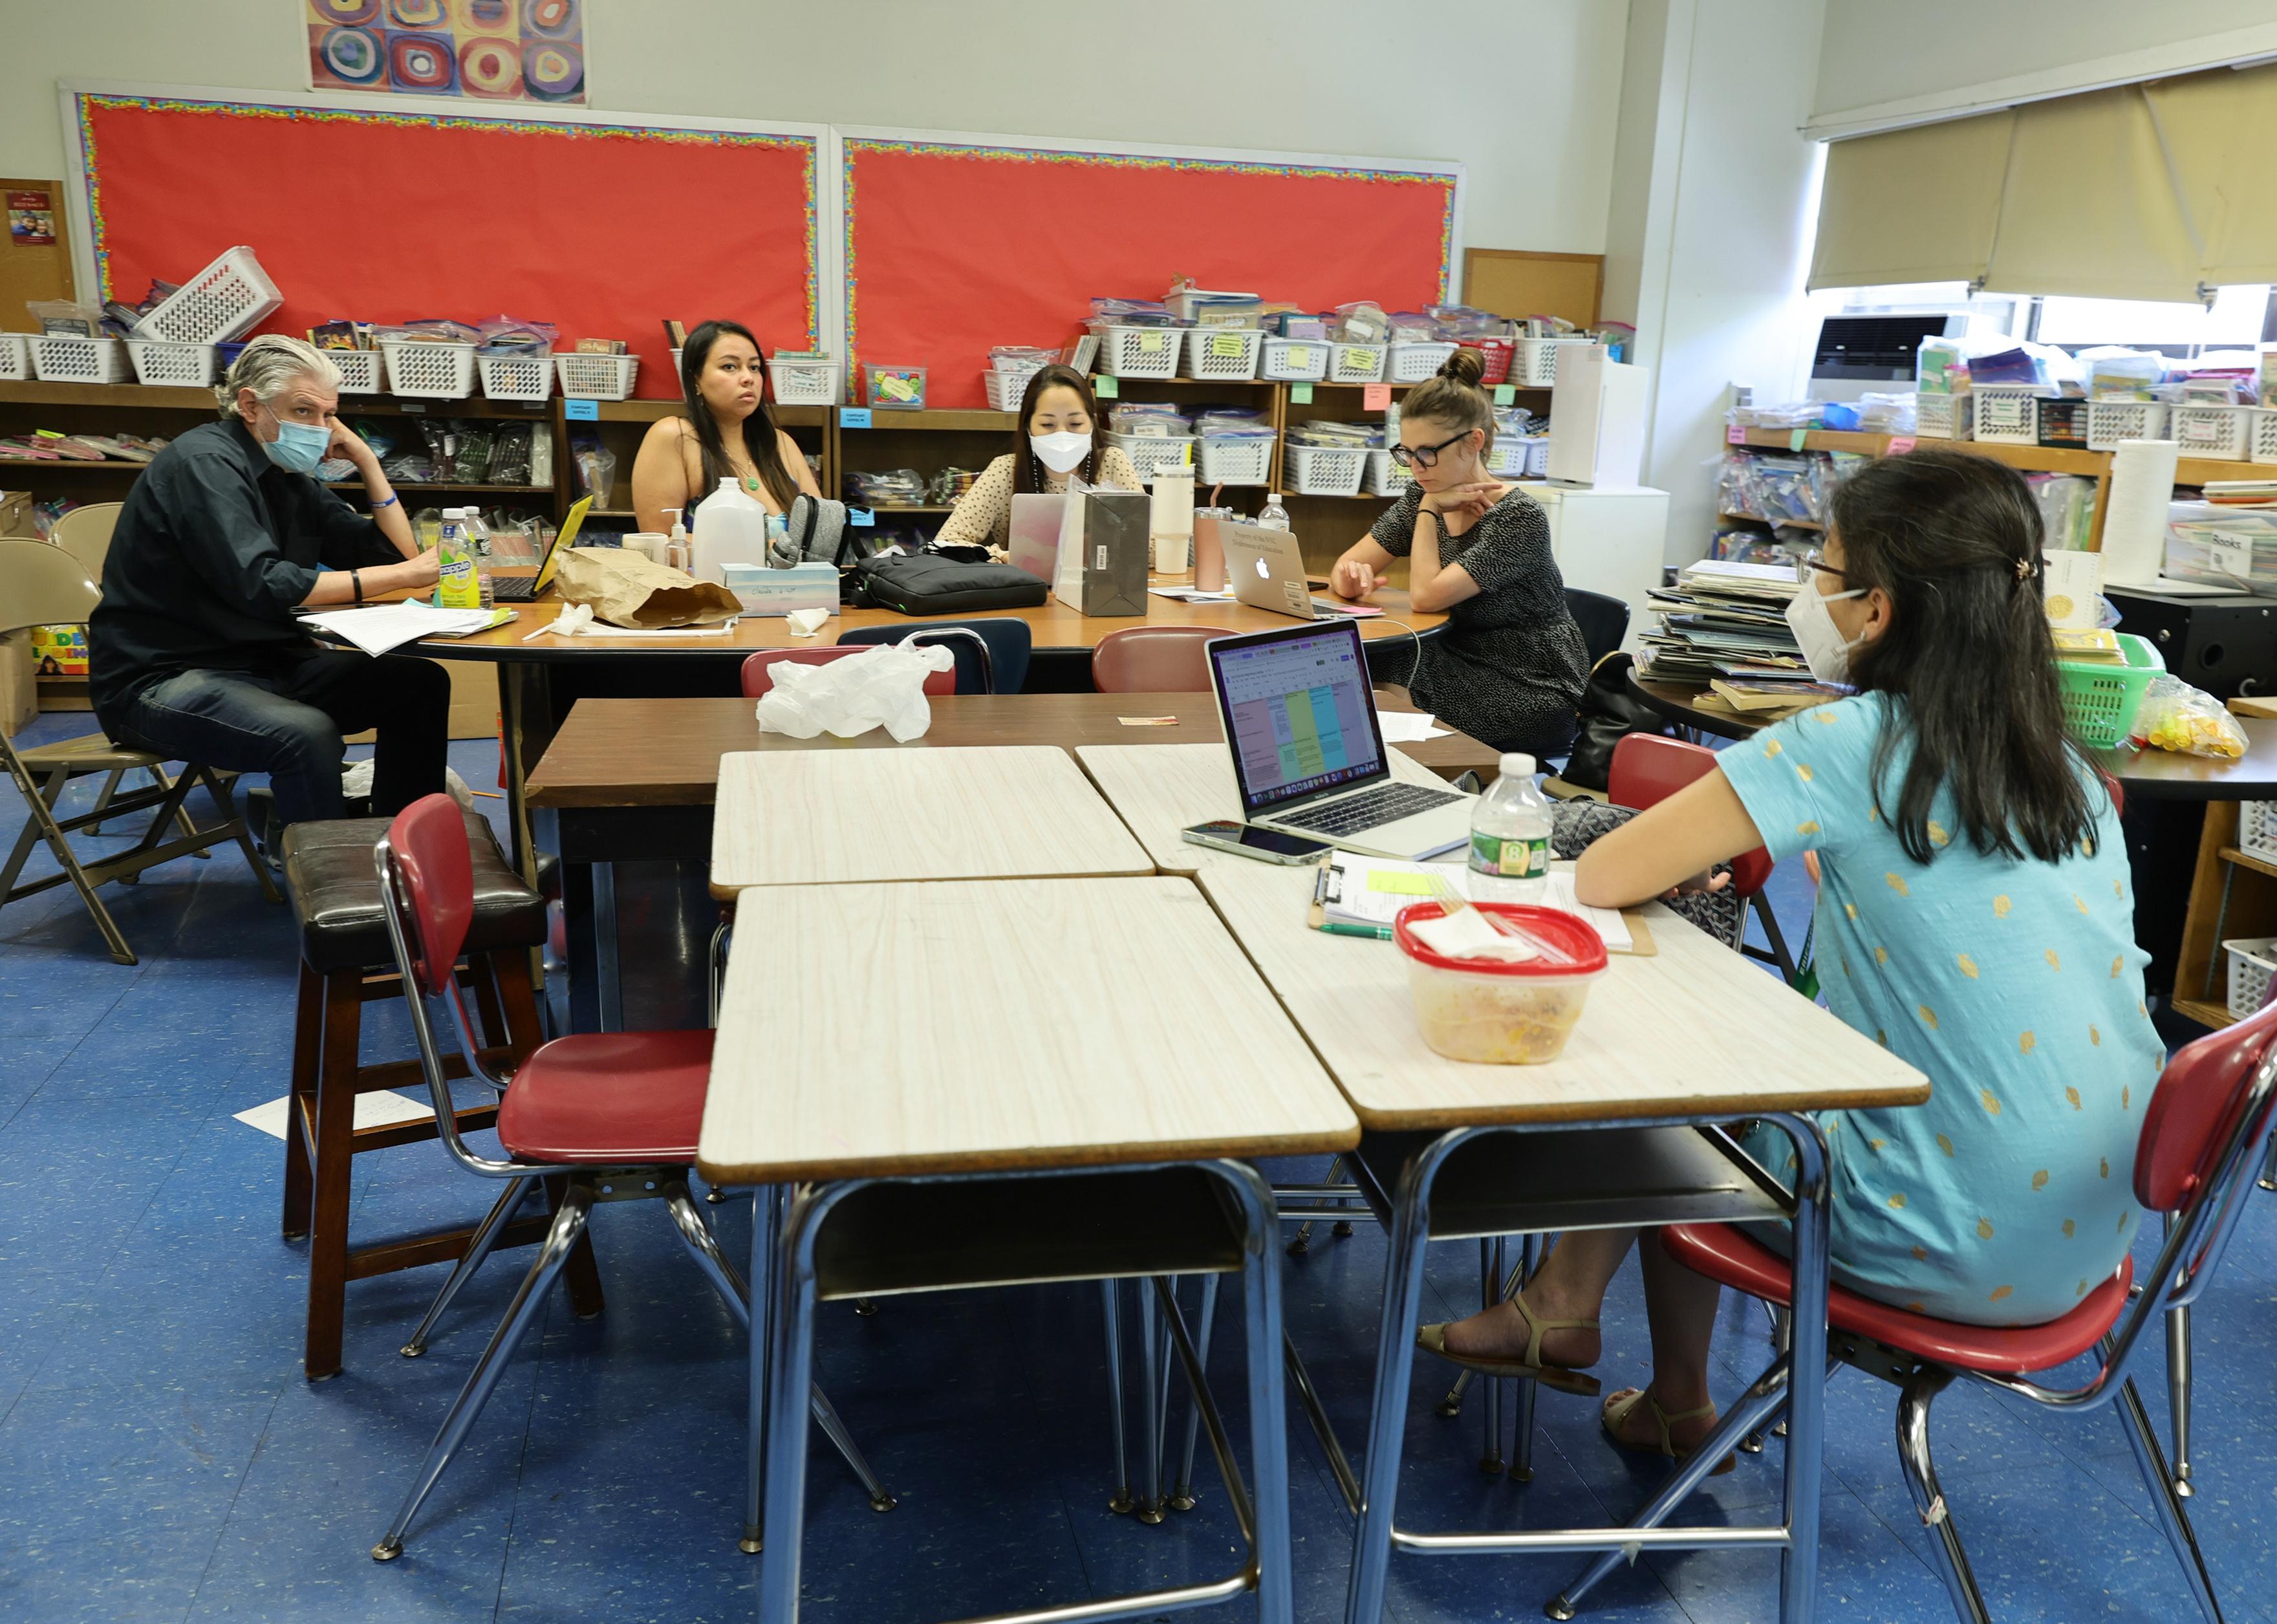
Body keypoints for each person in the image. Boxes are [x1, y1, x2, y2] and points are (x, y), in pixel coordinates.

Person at [1418, 448, 2159, 1469]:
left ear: (1879, 608)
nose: (1810, 592)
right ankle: (1659, 1385)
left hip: (1937, 1231)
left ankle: (1562, 1305)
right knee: (1731, 1048)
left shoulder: (1852, 740)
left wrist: (1678, 854)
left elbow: (1601, 876)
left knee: (1681, 1055)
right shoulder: (2069, 769)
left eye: (1824, 569)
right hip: (2094, 1235)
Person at [89, 335, 447, 828]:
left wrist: (367, 461)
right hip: (161, 679)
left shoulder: (287, 477)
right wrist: (402, 576)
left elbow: (392, 553)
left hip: (261, 667)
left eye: (328, 416)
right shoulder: (205, 464)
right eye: (304, 411)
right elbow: (263, 584)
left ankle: (402, 847)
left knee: (419, 683)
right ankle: (332, 884)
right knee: (305, 734)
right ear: (250, 405)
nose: (320, 430)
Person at [1328, 349, 1586, 758]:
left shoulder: (1519, 516)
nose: (1416, 466)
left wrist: (1429, 510)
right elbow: (1346, 565)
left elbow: (1426, 597)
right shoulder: (1425, 490)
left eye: (1427, 452)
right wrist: (1349, 578)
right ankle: (1385, 773)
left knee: (1390, 665)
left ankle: (1402, 776)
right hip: (1454, 661)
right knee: (1370, 659)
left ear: (1474, 442)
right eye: (1407, 453)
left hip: (1531, 688)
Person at [631, 320, 821, 533]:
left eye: (754, 367)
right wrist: (767, 549)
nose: (748, 378)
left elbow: (821, 535)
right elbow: (660, 542)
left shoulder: (781, 443)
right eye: (729, 367)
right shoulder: (675, 436)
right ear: (696, 380)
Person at [933, 364, 1141, 550]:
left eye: (1075, 424)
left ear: (1092, 423)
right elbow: (946, 542)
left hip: (1101, 590)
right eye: (1048, 425)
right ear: (1028, 426)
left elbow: (1149, 548)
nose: (1062, 434)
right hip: (1025, 591)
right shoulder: (1006, 470)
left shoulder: (1113, 463)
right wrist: (1001, 557)